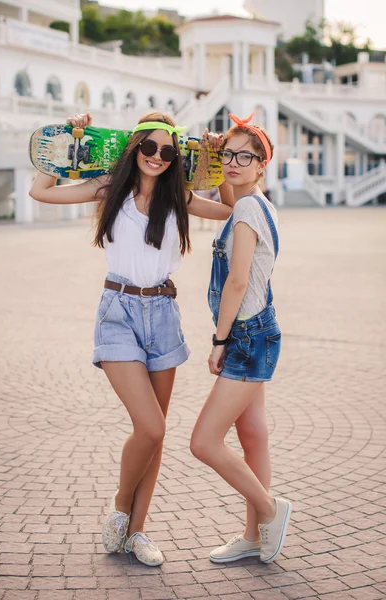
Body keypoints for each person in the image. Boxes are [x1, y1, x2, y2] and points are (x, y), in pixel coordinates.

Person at [29, 111, 234, 567]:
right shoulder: (109, 190)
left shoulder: (178, 197)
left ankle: (137, 532)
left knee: (154, 436)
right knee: (152, 427)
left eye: (166, 151)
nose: (157, 158)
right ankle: (122, 509)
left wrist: (217, 166)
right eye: (148, 148)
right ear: (134, 147)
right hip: (118, 312)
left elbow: (232, 210)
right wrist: (67, 138)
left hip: (163, 314)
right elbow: (39, 190)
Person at [190, 113, 292, 565]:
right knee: (253, 438)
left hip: (246, 336)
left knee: (204, 442)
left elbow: (237, 281)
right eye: (227, 154)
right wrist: (213, 158)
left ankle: (270, 511)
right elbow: (230, 198)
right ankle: (253, 537)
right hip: (260, 329)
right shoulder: (258, 204)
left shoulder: (250, 209)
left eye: (243, 156)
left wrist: (219, 339)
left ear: (261, 163)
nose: (233, 163)